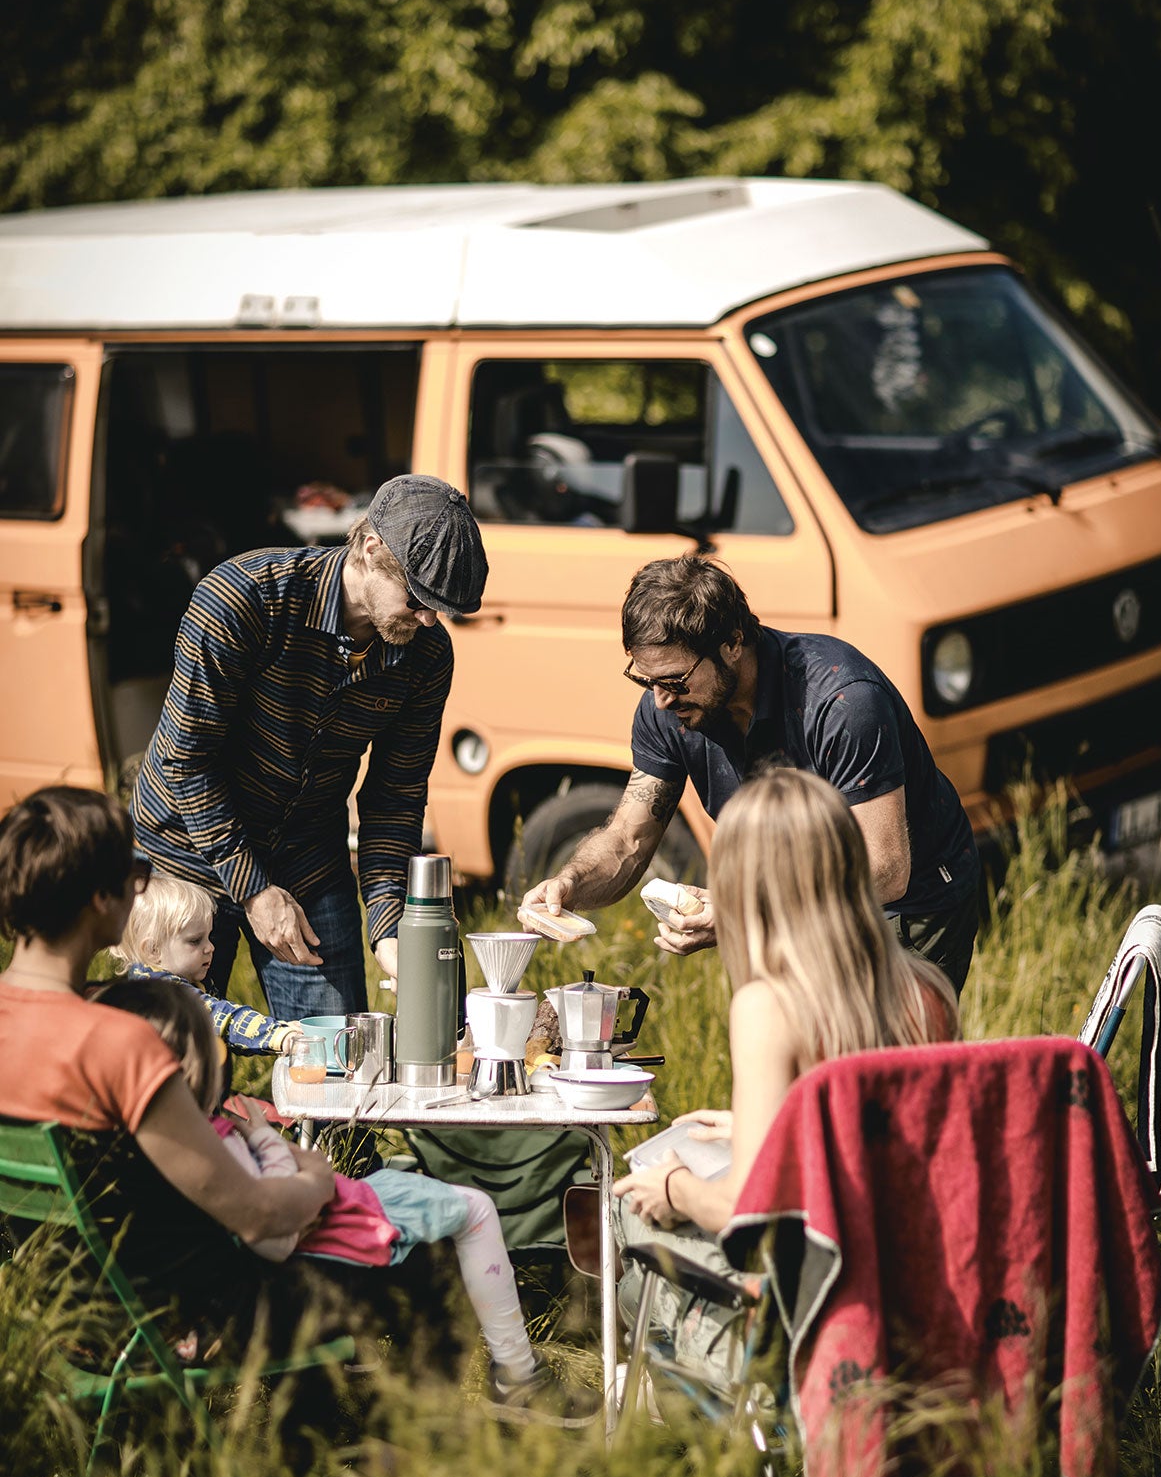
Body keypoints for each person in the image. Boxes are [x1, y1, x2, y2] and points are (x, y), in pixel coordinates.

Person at [94, 975, 600, 1430]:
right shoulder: (212, 1143)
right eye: (213, 1051)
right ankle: (464, 1407)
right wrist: (308, 1173)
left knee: (445, 1227)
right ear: (189, 1068)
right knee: (450, 1242)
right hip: (274, 1275)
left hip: (219, 1291)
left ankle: (394, 1422)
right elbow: (275, 1232)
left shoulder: (132, 1148)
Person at [611, 767, 960, 1378]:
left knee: (623, 1215)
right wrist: (768, 1127)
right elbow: (877, 1145)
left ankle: (699, 1414)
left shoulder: (768, 1007)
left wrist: (674, 1188)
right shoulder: (927, 989)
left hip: (813, 1301)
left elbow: (746, 1211)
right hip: (910, 1285)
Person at [524, 555, 980, 995]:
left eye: (676, 681)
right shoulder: (669, 708)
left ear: (733, 643)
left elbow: (885, 870)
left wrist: (744, 910)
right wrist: (571, 884)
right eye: (647, 681)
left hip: (905, 906)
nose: (661, 699)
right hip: (793, 902)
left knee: (876, 1051)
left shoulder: (841, 701)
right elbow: (628, 839)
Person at [130, 474, 488, 1022]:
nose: (428, 619)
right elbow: (188, 759)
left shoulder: (427, 653)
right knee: (179, 1050)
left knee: (334, 1053)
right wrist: (254, 891)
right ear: (371, 549)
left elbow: (395, 795)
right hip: (188, 851)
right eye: (418, 598)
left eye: (442, 608)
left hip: (308, 853)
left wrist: (389, 926)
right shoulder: (243, 598)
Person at [0, 785, 339, 1356]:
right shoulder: (120, 1040)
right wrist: (321, 1181)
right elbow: (254, 1214)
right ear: (100, 898)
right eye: (135, 873)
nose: (140, 887)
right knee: (401, 1248)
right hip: (162, 1318)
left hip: (54, 1317)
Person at [111, 871, 304, 1055]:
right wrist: (275, 1034)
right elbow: (218, 1018)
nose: (210, 947)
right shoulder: (159, 994)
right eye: (195, 941)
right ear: (153, 950)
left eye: (209, 937)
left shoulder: (178, 979)